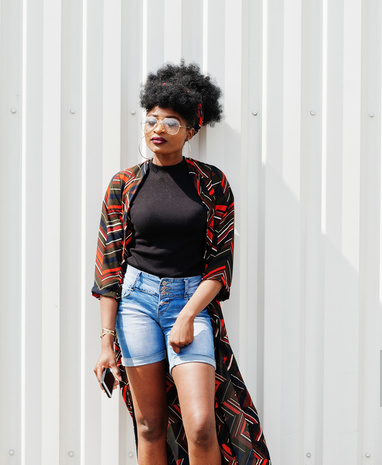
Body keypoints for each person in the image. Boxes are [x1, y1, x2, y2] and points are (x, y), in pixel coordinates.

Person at [92, 62, 271, 465]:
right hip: (135, 303)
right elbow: (108, 266)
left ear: (192, 130)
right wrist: (105, 342)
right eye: (152, 119)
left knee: (202, 426)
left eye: (171, 122)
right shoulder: (124, 184)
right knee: (149, 426)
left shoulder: (212, 183)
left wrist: (189, 315)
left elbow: (220, 265)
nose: (158, 129)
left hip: (190, 301)